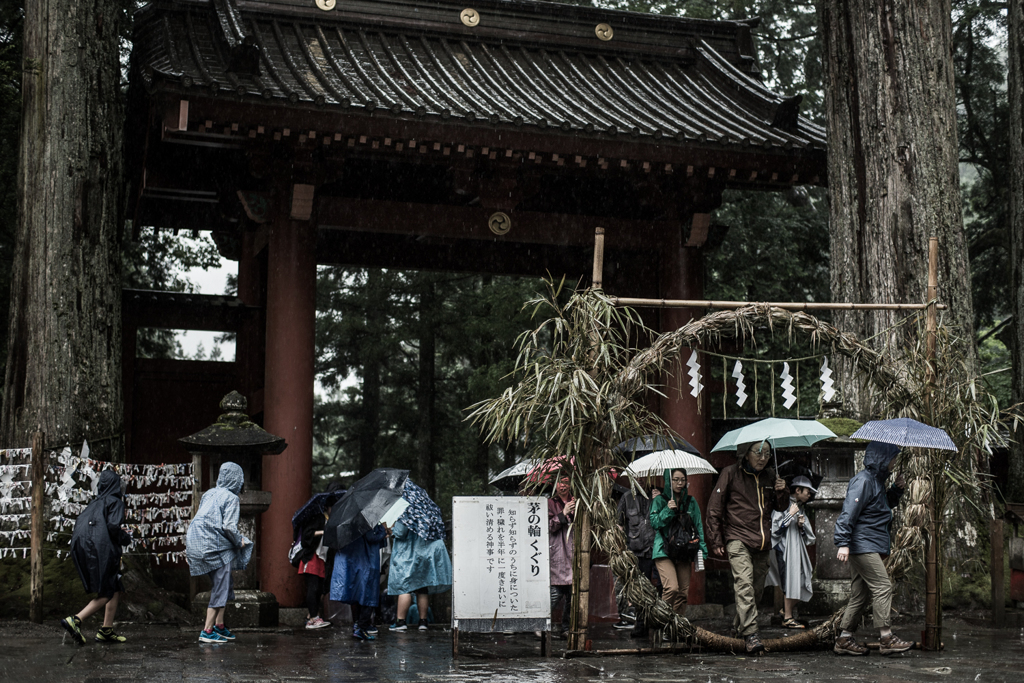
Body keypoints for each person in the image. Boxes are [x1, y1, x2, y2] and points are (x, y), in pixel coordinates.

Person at [707, 441, 789, 655]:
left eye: (767, 454)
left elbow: (780, 508)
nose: (763, 457)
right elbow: (714, 507)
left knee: (757, 591)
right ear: (746, 454)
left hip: (762, 541)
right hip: (738, 537)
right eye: (758, 453)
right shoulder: (730, 473)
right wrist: (716, 540)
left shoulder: (771, 476)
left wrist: (782, 491)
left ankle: (738, 627)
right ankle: (751, 634)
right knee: (744, 585)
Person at [833, 441, 912, 656]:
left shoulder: (876, 481)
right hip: (862, 544)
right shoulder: (864, 481)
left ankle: (844, 639)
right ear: (882, 459)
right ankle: (886, 638)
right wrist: (843, 542)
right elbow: (849, 511)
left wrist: (896, 489)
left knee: (860, 595)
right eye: (893, 458)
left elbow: (880, 508)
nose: (895, 462)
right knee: (883, 586)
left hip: (868, 543)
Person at [60, 469, 133, 645]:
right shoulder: (115, 502)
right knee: (107, 591)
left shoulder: (95, 503)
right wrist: (125, 538)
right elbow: (113, 527)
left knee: (114, 586)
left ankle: (106, 630)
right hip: (103, 550)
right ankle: (76, 619)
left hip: (86, 547)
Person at [185, 461, 252, 644]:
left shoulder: (209, 493)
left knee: (225, 582)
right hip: (215, 546)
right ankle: (207, 630)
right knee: (221, 587)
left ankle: (219, 626)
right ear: (238, 479)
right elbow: (229, 527)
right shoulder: (231, 498)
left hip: (196, 542)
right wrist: (239, 541)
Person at [387, 481, 452, 632]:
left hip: (407, 554)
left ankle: (400, 622)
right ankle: (423, 622)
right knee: (422, 588)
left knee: (405, 587)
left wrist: (391, 531)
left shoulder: (404, 508)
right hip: (423, 553)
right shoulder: (424, 508)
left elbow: (401, 532)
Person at [649, 469, 707, 620]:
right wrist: (668, 510)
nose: (680, 483)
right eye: (675, 480)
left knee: (682, 593)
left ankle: (675, 626)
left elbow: (698, 525)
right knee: (671, 588)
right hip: (664, 549)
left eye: (683, 480)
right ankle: (661, 620)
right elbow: (654, 523)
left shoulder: (690, 501)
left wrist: (702, 548)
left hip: (684, 549)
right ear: (669, 481)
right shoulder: (660, 501)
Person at [765, 475, 817, 628]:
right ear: (798, 490)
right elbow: (775, 531)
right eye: (807, 490)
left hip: (796, 549)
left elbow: (806, 537)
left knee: (802, 578)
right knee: (789, 579)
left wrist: (801, 527)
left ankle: (786, 611)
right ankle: (788, 617)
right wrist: (789, 515)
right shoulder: (783, 503)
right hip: (784, 549)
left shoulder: (799, 506)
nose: (809, 494)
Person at [615, 481, 659, 637]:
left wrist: (659, 501)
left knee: (662, 587)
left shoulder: (659, 496)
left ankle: (659, 623)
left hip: (658, 549)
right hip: (637, 551)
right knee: (640, 590)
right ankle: (641, 625)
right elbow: (619, 525)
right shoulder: (627, 498)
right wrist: (621, 551)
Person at [330, 522, 387, 640]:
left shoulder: (350, 521)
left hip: (356, 560)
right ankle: (361, 627)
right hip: (368, 560)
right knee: (368, 595)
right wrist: (384, 530)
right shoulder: (368, 519)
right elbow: (372, 537)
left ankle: (357, 625)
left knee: (357, 594)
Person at [295, 492, 341, 630]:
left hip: (322, 558)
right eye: (333, 507)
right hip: (312, 556)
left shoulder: (331, 521)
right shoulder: (318, 518)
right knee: (312, 587)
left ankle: (314, 616)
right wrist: (323, 532)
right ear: (327, 507)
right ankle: (312, 618)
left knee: (319, 589)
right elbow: (306, 536)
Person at [548, 475, 575, 638]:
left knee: (573, 595)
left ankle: (566, 628)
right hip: (558, 551)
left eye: (565, 481)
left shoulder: (578, 501)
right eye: (559, 482)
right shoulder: (550, 503)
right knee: (555, 593)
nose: (562, 486)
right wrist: (563, 513)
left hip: (574, 551)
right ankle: (541, 624)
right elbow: (549, 526)